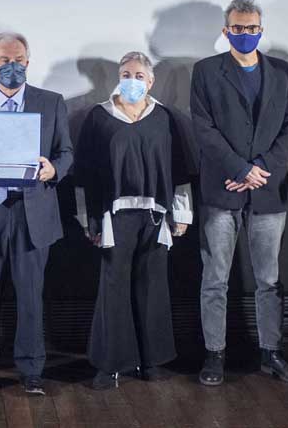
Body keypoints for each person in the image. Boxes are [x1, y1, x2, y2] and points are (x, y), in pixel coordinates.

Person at [190, 0, 288, 386]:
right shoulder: (206, 71)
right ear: (226, 31)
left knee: (269, 281)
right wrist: (240, 169)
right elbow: (203, 128)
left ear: (261, 30)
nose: (245, 35)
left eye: (251, 28)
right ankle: (214, 355)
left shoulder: (282, 73)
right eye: (237, 28)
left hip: (267, 191)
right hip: (221, 190)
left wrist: (259, 170)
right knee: (215, 278)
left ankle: (271, 354)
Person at [0, 32, 74, 397]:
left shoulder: (51, 103)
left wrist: (53, 170)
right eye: (4, 61)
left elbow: (66, 153)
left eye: (18, 60)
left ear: (28, 62)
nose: (12, 67)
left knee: (31, 295)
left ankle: (31, 371)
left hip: (31, 211)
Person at [76, 51, 195, 390]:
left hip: (155, 215)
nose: (132, 81)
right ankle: (109, 364)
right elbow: (84, 174)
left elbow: (178, 169)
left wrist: (181, 213)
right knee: (113, 288)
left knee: (153, 287)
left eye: (139, 76)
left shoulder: (163, 118)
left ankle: (151, 360)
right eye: (126, 74)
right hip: (114, 216)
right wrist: (89, 221)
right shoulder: (99, 117)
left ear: (151, 81)